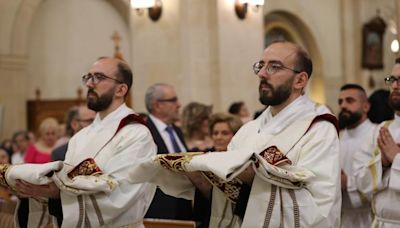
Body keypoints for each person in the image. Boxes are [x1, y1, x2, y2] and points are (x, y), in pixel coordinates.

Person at [130, 41, 341, 227]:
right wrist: (203, 183)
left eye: (274, 67)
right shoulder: (247, 132)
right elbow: (226, 203)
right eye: (261, 65)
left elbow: (320, 210)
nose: (262, 73)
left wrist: (253, 178)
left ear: (300, 80)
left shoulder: (318, 130)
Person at [13, 57, 157, 227]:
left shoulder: (136, 134)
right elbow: (66, 184)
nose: (89, 84)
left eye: (99, 77)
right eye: (88, 77)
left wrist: (59, 193)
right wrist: (35, 190)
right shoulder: (80, 137)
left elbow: (121, 196)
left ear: (121, 90)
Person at [354, 57, 400, 227]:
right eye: (392, 80)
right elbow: (359, 181)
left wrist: (396, 157)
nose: (394, 86)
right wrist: (382, 162)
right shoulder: (380, 130)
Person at [144, 83, 193, 220]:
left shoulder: (176, 131)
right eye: (173, 100)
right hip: (160, 210)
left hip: (184, 207)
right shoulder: (145, 132)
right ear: (157, 105)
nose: (179, 105)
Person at [337, 83, 375, 227]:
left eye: (350, 101)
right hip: (342, 216)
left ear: (366, 106)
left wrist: (348, 182)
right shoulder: (336, 137)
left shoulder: (377, 134)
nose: (343, 105)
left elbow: (381, 177)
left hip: (369, 216)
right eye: (340, 102)